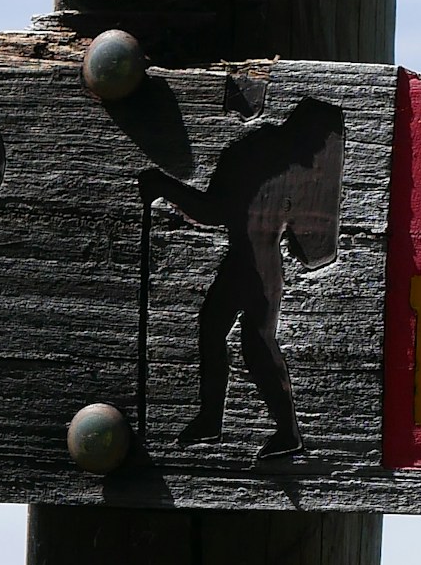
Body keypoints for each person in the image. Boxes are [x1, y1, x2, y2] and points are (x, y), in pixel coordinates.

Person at [140, 93, 344, 460]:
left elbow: (212, 211)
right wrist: (165, 189)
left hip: (258, 268)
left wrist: (165, 188)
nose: (318, 152)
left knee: (256, 344)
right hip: (247, 263)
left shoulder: (276, 164)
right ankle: (216, 419)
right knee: (219, 331)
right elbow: (217, 210)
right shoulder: (264, 160)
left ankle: (284, 431)